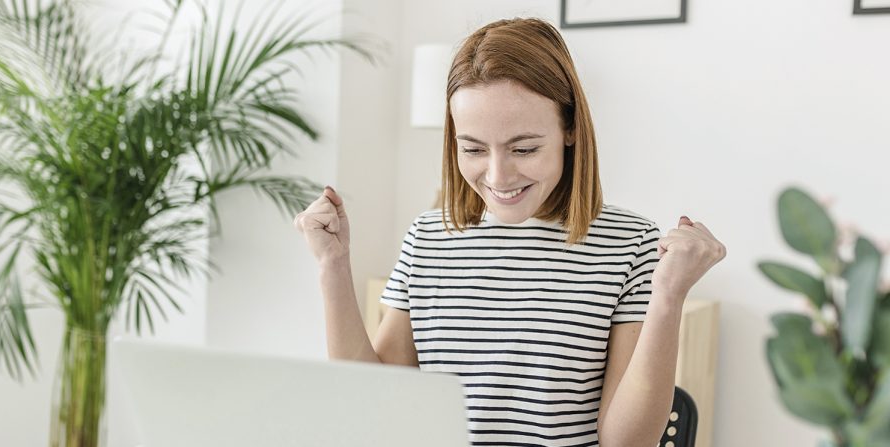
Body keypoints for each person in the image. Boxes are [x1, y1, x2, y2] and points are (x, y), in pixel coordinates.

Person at [294, 17, 726, 447]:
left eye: (524, 148)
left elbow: (626, 443)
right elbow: (379, 406)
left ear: (570, 128)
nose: (498, 176)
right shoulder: (428, 237)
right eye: (474, 149)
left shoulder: (628, 244)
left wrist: (668, 296)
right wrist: (332, 265)